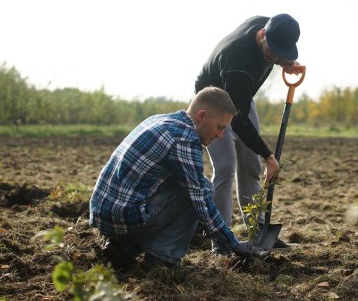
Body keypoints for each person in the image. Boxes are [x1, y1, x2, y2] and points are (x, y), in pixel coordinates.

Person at [89, 86, 269, 271]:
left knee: (194, 185)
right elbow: (200, 200)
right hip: (123, 218)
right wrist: (233, 244)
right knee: (203, 190)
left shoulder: (160, 119)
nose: (220, 135)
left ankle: (123, 248)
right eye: (220, 127)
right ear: (201, 116)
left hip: (103, 215)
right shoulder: (184, 139)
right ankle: (163, 261)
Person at [195, 14, 305, 248]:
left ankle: (258, 233)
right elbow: (239, 121)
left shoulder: (270, 24)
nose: (273, 57)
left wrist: (284, 60)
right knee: (225, 167)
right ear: (262, 34)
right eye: (271, 53)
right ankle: (221, 242)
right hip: (213, 101)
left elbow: (274, 50)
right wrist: (269, 156)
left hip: (242, 96)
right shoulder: (238, 61)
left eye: (280, 52)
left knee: (251, 167)